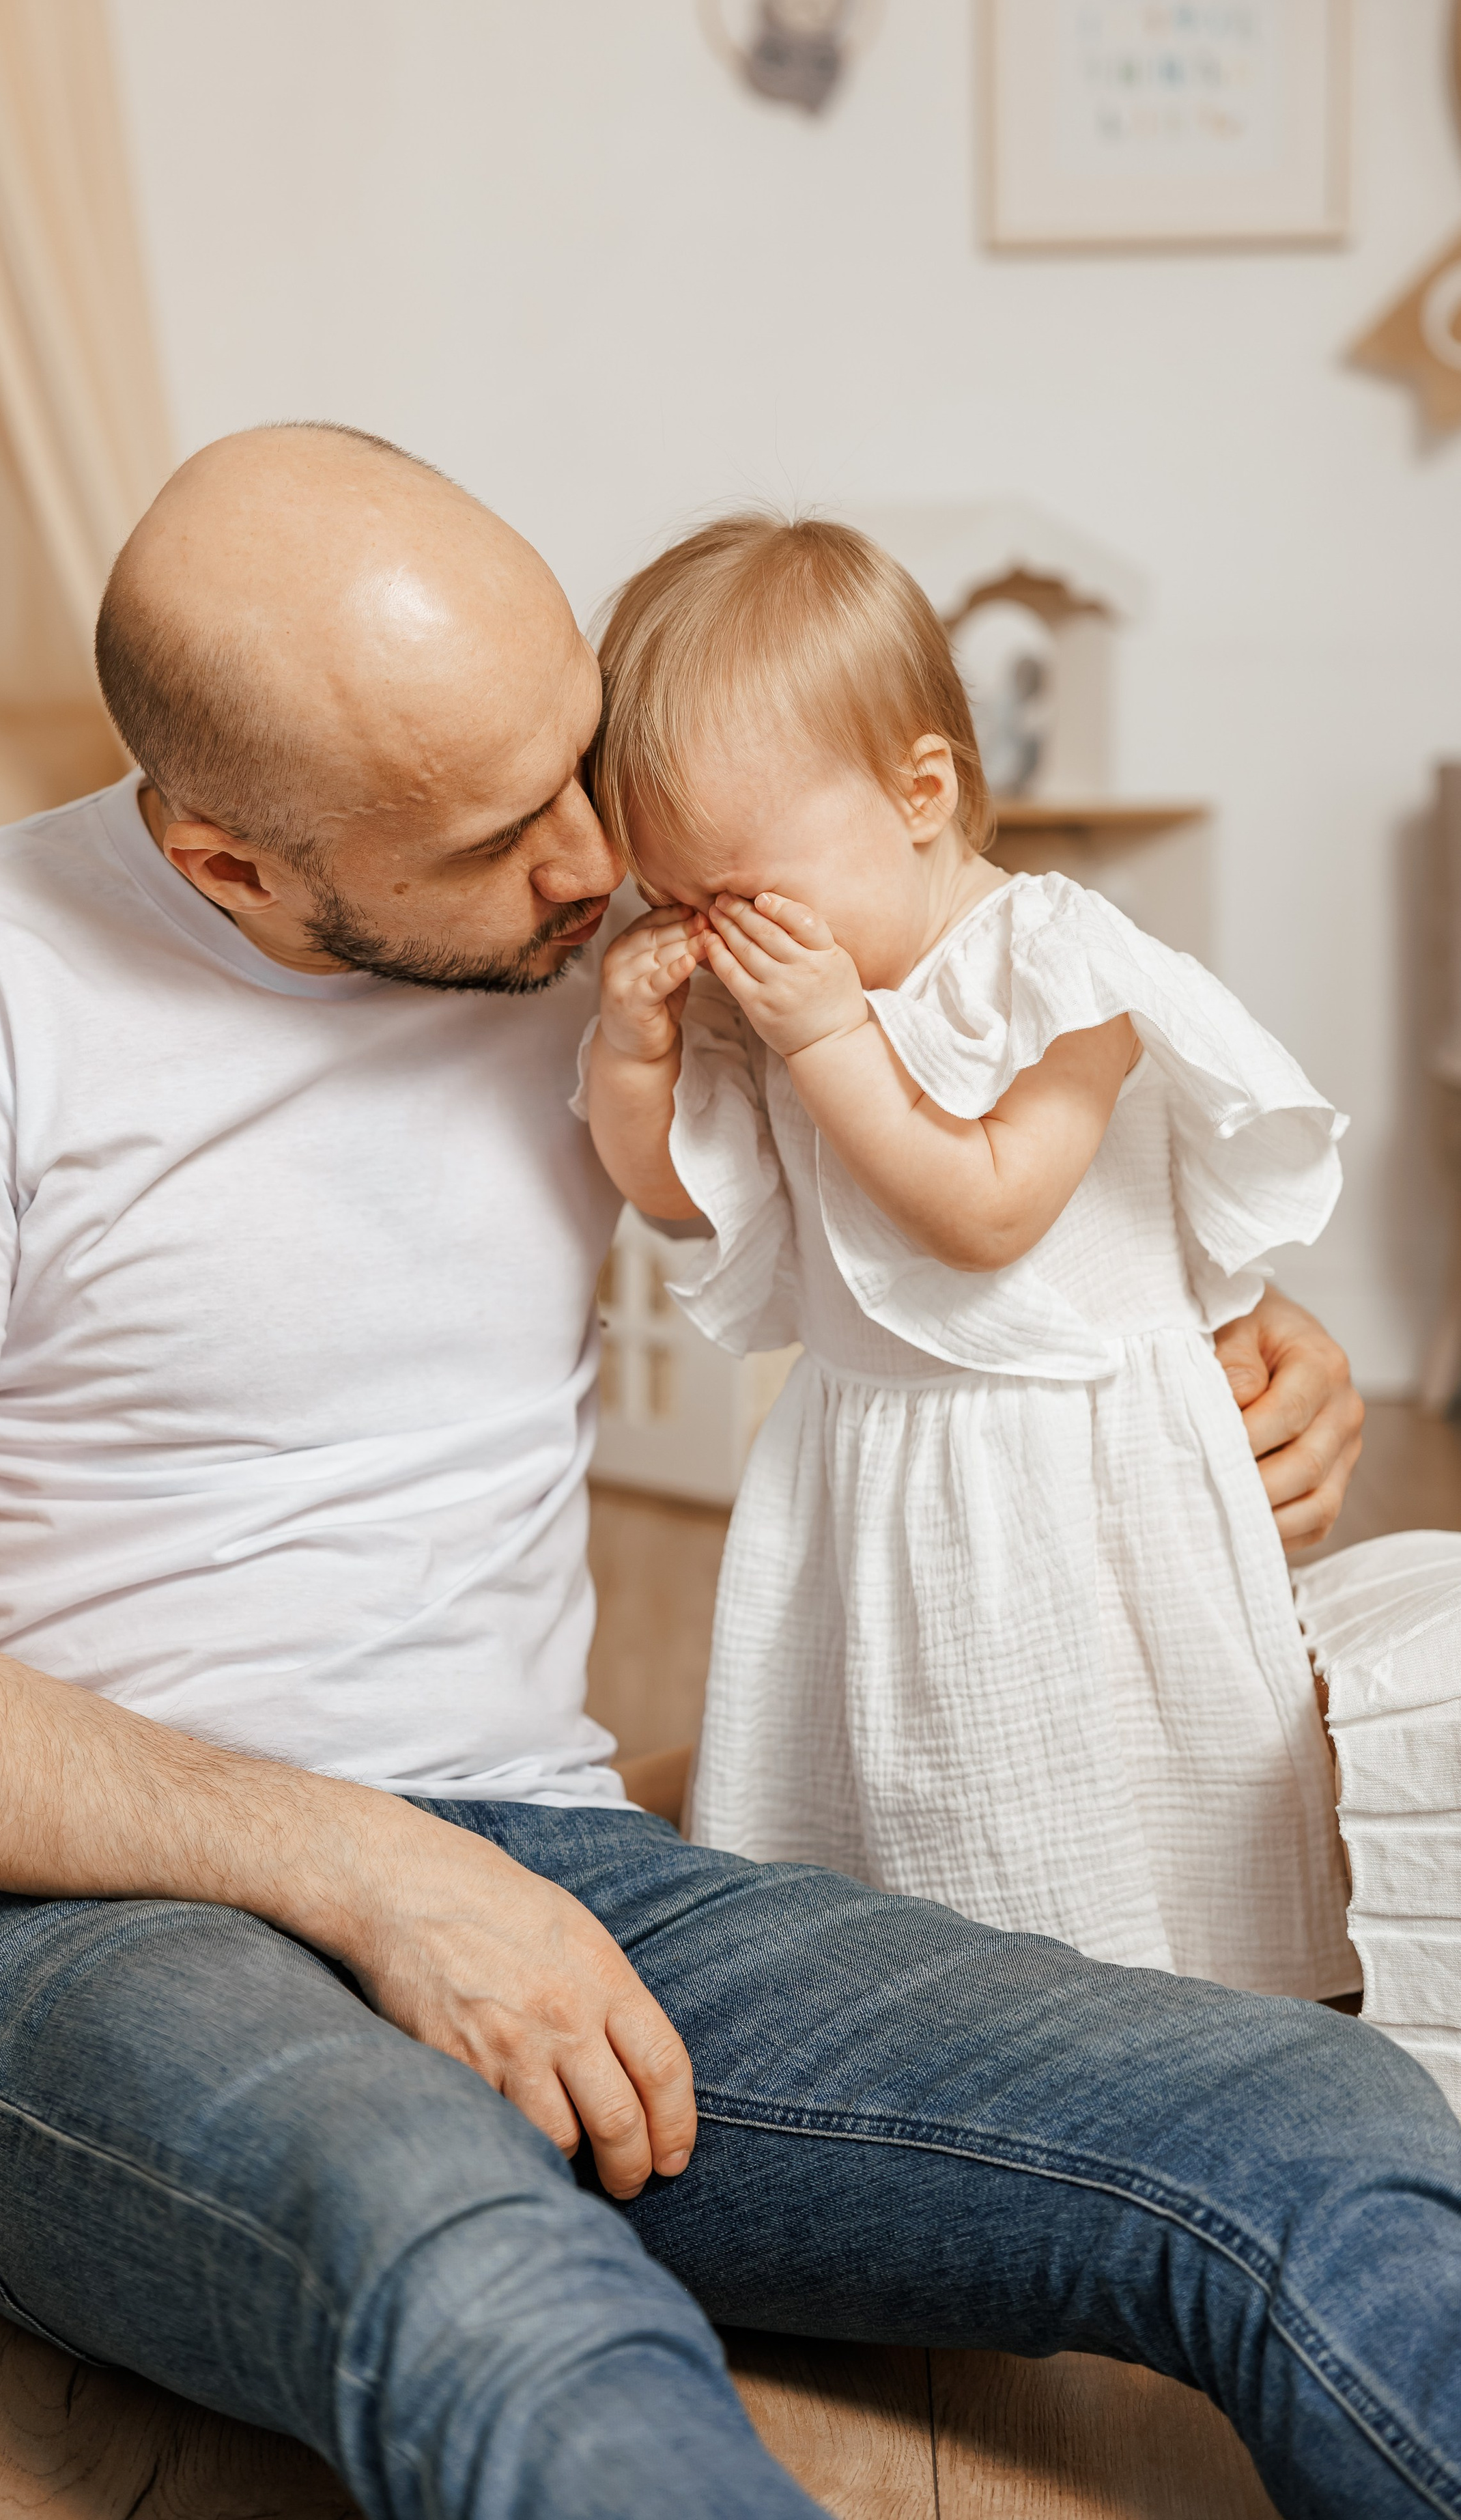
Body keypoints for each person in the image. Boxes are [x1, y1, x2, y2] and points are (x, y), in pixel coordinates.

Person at [0, 425, 1458, 2520]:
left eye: (578, 765)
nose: (584, 859)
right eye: (490, 834)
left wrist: (1249, 1352)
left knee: (1317, 2123)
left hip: (559, 1871)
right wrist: (366, 1866)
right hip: (78, 1933)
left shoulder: (616, 927)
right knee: (497, 2281)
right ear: (229, 865)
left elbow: (978, 1161)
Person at [582, 511, 1361, 2013]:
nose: (715, 939)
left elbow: (987, 1208)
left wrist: (826, 1040)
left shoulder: (1057, 964)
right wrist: (634, 1050)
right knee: (892, 1786)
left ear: (918, 791)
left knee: (1110, 1793)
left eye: (738, 891)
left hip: (1069, 1467)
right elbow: (673, 1194)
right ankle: (914, 2019)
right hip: (870, 1460)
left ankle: (1173, 2014)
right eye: (675, 902)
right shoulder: (788, 998)